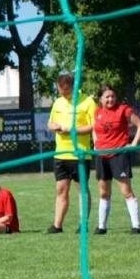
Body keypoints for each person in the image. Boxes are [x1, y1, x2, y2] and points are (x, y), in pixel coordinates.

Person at [45, 73, 95, 233]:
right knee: (61, 189)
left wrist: (71, 130)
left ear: (73, 87)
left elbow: (93, 126)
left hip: (80, 154)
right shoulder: (58, 102)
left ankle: (83, 224)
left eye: (66, 91)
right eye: (60, 91)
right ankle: (57, 226)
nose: (63, 94)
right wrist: (53, 126)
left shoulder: (88, 102)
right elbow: (50, 122)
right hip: (60, 154)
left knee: (82, 190)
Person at [91, 86, 140, 235]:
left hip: (119, 155)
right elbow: (94, 129)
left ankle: (136, 226)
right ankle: (101, 227)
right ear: (100, 99)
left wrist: (134, 144)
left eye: (113, 96)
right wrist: (96, 144)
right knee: (103, 192)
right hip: (101, 156)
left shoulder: (123, 110)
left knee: (126, 191)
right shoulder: (97, 112)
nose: (110, 99)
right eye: (107, 97)